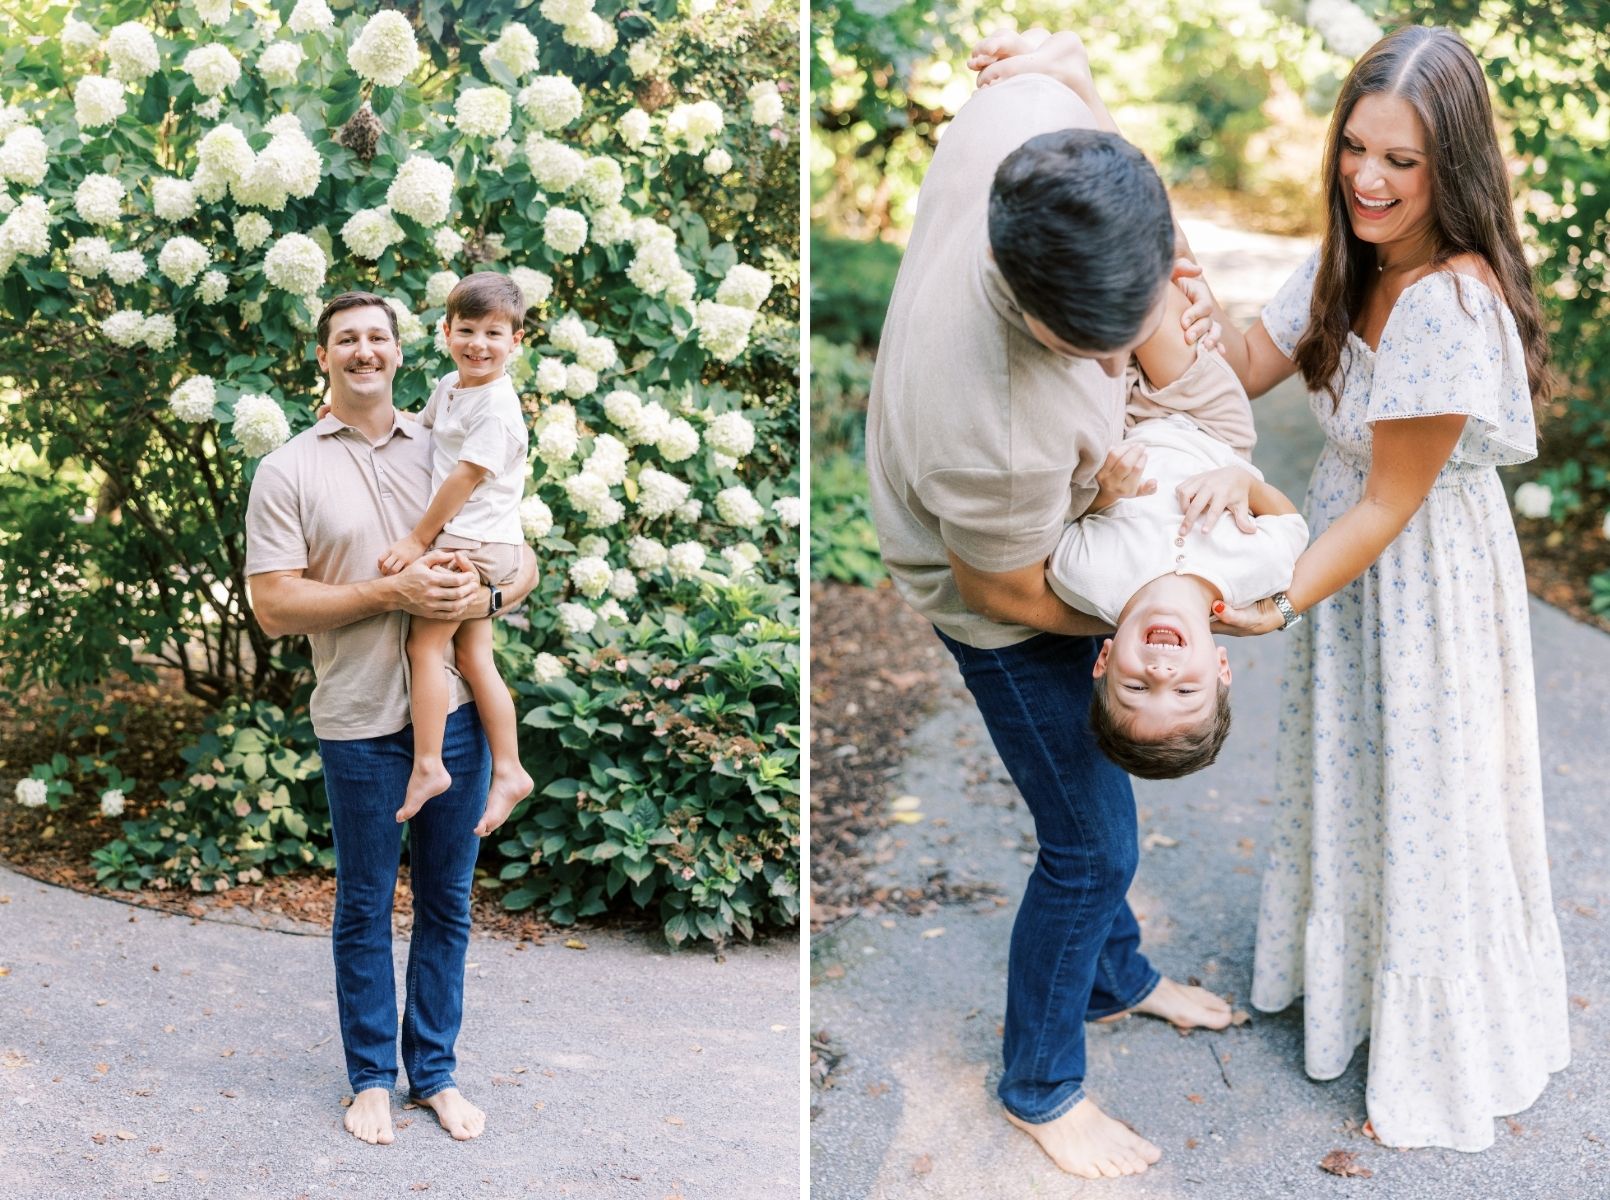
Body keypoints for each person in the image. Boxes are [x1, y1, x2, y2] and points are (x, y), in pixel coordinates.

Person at [1162, 26, 1569, 1150]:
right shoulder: (1356, 255)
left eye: (1401, 160)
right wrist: (1167, 303)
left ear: (1454, 169)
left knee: (1428, 798)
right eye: (1354, 147)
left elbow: (1390, 504)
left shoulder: (1445, 301)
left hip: (1420, 571)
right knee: (1359, 773)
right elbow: (1243, 362)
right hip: (1354, 549)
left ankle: (1438, 1050)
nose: (1366, 177)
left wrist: (1278, 597)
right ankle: (1351, 992)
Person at [867, 29, 1234, 1181]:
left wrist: (1068, 59)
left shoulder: (1032, 125)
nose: (1135, 352)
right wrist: (1157, 610)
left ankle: (1113, 980)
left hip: (1053, 534)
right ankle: (1038, 1083)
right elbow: (1005, 587)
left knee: (1096, 810)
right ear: (1032, 310)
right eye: (1101, 343)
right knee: (1087, 842)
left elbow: (1063, 68)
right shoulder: (998, 434)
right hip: (995, 587)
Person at [246, 292, 538, 1147]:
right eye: (347, 340)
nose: (363, 351)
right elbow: (273, 606)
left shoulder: (445, 437)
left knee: (447, 905)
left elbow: (516, 556)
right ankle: (371, 1077)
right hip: (358, 720)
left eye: (377, 337)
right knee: (365, 905)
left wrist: (489, 589)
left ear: (404, 351)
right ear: (324, 356)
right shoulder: (288, 470)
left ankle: (436, 1075)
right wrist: (391, 591)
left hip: (454, 722)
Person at [1047, 319, 1310, 779]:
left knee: (1085, 336)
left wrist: (1104, 495)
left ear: (1104, 660)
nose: (1162, 673)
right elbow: (1291, 527)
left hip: (1114, 426)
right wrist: (1242, 483)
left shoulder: (1083, 577)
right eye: (1186, 692)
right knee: (1148, 312)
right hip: (1208, 422)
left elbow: (1060, 519)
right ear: (1220, 666)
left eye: (1135, 686)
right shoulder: (1252, 572)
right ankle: (1155, 263)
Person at [382, 272, 535, 830]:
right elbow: (424, 435)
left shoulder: (496, 407)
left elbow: (464, 478)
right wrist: (350, 416)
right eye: (466, 330)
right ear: (446, 332)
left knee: (424, 647)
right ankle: (511, 771)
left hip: (475, 542)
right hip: (471, 538)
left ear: (516, 341)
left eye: (494, 333)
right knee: (473, 658)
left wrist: (418, 539)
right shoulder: (452, 386)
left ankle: (428, 764)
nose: (478, 344)